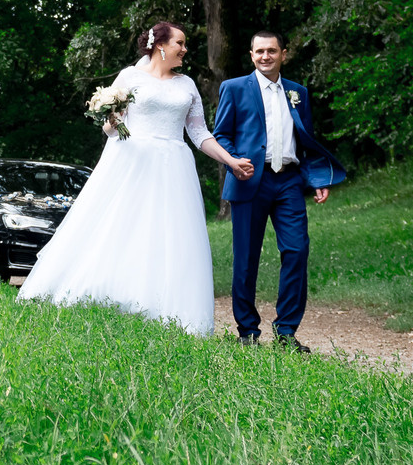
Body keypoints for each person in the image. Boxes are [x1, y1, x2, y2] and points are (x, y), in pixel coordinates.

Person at [16, 21, 252, 336]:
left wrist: (231, 160)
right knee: (122, 227)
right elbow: (109, 128)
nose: (185, 49)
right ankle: (108, 294)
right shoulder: (130, 77)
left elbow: (199, 133)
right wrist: (111, 119)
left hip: (173, 165)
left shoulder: (187, 85)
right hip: (132, 160)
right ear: (160, 45)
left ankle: (165, 307)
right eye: (180, 43)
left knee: (171, 235)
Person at [211, 29, 348, 350]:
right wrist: (234, 161)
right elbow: (221, 134)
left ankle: (286, 332)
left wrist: (317, 179)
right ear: (251, 55)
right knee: (246, 258)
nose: (265, 57)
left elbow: (306, 140)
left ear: (283, 54)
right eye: (259, 51)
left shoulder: (298, 92)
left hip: (289, 181)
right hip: (249, 181)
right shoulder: (234, 88)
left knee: (297, 250)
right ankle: (248, 332)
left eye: (271, 51)